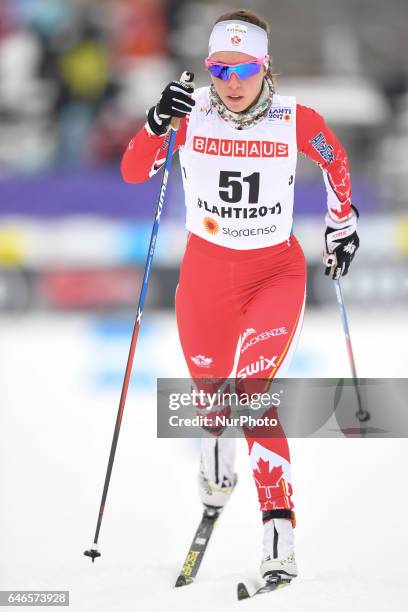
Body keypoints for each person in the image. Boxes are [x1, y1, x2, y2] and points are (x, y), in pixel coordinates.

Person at [121, 9, 359, 583]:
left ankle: (278, 530)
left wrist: (341, 223)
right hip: (204, 281)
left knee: (253, 394)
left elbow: (336, 163)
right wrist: (156, 122)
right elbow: (133, 171)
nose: (231, 81)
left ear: (265, 65)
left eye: (244, 67)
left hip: (274, 276)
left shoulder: (295, 119)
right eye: (219, 68)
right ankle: (214, 449)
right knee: (213, 398)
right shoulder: (190, 112)